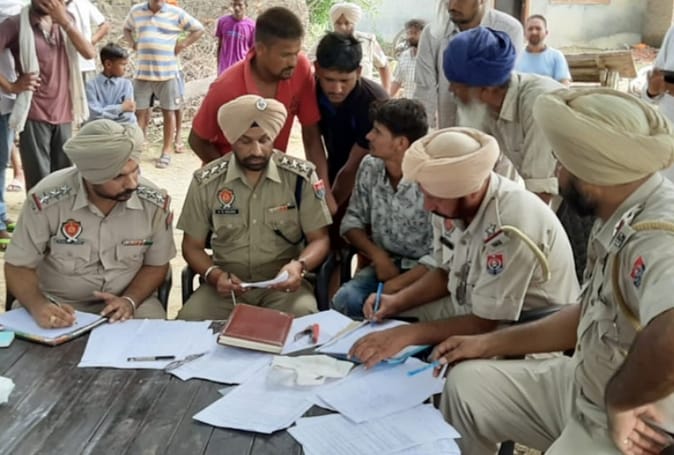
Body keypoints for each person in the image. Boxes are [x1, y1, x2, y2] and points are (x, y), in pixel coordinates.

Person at [431, 88, 674, 455]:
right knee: (466, 388)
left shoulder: (657, 236)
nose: (556, 172)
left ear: (592, 175)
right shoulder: (619, 210)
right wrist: (485, 344)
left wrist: (622, 399)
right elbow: (588, 314)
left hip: (627, 422)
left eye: (561, 163)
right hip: (583, 382)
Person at [349, 126, 579, 367]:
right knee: (389, 321)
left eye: (434, 197)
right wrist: (396, 302)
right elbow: (444, 272)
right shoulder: (449, 201)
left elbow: (485, 323)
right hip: (470, 305)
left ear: (470, 193)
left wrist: (407, 335)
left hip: (526, 333)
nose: (428, 206)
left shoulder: (510, 225)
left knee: (458, 374)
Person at [443, 26, 593, 278]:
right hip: (552, 203)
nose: (451, 91)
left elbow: (540, 197)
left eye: (457, 85)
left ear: (486, 89)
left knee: (571, 282)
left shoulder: (539, 104)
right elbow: (478, 168)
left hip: (583, 205)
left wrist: (503, 247)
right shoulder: (486, 107)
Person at [4, 120, 176, 328]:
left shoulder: (153, 203)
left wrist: (130, 300)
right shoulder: (47, 201)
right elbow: (18, 266)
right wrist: (39, 305)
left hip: (131, 302)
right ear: (90, 176)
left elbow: (156, 265)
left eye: (135, 171)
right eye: (118, 176)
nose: (132, 183)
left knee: (154, 336)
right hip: (58, 304)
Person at [177, 95, 331, 320]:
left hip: (283, 286)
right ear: (231, 140)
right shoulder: (206, 182)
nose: (256, 151)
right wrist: (213, 274)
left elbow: (320, 239)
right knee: (189, 322)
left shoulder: (300, 177)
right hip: (225, 287)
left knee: (304, 319)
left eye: (264, 140)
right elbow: (192, 246)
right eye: (245, 141)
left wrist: (299, 265)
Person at [189, 7, 336, 212]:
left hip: (272, 183)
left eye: (296, 53)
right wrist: (235, 178)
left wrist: (323, 192)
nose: (293, 62)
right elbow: (196, 139)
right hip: (228, 191)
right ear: (260, 49)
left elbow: (311, 137)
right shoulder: (226, 87)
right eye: (285, 55)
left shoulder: (301, 70)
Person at [332, 98, 431, 317]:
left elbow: (442, 258)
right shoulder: (370, 166)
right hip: (384, 266)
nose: (369, 136)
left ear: (401, 143)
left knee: (396, 310)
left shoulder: (431, 178)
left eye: (377, 132)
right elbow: (351, 222)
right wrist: (378, 256)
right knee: (346, 300)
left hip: (425, 273)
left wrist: (394, 286)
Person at [0, 0, 97, 191]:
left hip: (64, 111)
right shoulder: (16, 23)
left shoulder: (67, 20)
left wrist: (65, 22)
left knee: (64, 179)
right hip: (34, 112)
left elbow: (89, 53)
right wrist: (11, 86)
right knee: (39, 182)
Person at [414, 0, 523, 128]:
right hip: (449, 130)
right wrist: (422, 134)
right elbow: (424, 89)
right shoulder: (433, 33)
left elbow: (505, 90)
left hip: (494, 132)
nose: (452, 6)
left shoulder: (508, 29)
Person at [123, 0, 204, 169]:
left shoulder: (175, 13)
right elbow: (126, 29)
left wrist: (182, 44)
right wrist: (132, 43)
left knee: (169, 112)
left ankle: (166, 151)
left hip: (167, 73)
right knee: (140, 113)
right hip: (142, 73)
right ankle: (137, 151)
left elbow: (198, 29)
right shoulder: (136, 11)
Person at [314, 32, 389, 212]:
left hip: (371, 177)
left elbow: (353, 167)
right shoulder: (311, 91)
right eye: (329, 79)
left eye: (344, 80)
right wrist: (323, 195)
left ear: (359, 72)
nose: (336, 89)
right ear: (316, 69)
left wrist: (329, 210)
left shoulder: (374, 102)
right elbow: (312, 142)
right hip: (332, 166)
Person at [327, 2, 391, 92]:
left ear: (354, 24)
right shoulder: (325, 43)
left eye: (347, 23)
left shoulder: (367, 41)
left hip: (364, 94)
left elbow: (384, 65)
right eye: (338, 23)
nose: (342, 27)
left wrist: (386, 92)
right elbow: (312, 66)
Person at [0, 0, 22, 248]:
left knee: (1, 159)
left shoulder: (16, 6)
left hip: (6, 101)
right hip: (5, 93)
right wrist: (11, 86)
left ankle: (1, 214)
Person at [85, 42, 136, 124]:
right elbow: (94, 113)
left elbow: (128, 114)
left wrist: (104, 112)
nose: (126, 68)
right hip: (99, 127)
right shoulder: (91, 85)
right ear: (108, 64)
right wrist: (121, 108)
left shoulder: (126, 84)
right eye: (123, 64)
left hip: (123, 126)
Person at [515, 14, 571, 85]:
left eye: (538, 29)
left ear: (546, 32)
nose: (534, 32)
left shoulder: (556, 56)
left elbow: (564, 83)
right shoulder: (516, 55)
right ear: (525, 33)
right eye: (530, 29)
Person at [66, 0, 110, 84]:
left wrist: (90, 42)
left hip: (86, 64)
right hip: (64, 65)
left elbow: (105, 25)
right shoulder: (54, 5)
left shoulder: (84, 3)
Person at [215, 0, 255, 76]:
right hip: (224, 69)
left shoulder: (252, 26)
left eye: (240, 5)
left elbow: (253, 52)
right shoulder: (223, 21)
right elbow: (220, 46)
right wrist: (218, 67)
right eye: (234, 5)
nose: (237, 8)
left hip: (241, 69)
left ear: (246, 6)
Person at [390, 18, 426, 98]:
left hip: (427, 104)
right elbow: (397, 81)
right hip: (408, 103)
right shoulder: (404, 56)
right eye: (409, 33)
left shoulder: (432, 57)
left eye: (415, 33)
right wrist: (386, 99)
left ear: (425, 34)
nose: (411, 36)